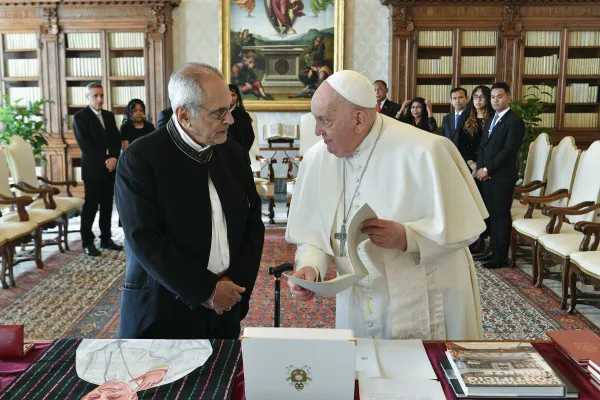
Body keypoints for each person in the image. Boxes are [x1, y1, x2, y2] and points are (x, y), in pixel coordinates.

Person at [286, 70, 488, 340]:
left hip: (423, 296)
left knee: (428, 375)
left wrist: (408, 237)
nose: (317, 131)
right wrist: (311, 267)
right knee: (365, 373)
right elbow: (313, 232)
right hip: (358, 297)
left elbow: (465, 228)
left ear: (358, 119)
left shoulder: (426, 150)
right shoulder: (317, 158)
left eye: (325, 120)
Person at [115, 62, 265, 339]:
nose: (230, 121)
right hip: (162, 311)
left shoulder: (232, 152)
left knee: (222, 380)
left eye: (230, 109)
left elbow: (253, 223)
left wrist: (234, 287)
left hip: (225, 308)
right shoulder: (141, 158)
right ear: (183, 115)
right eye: (220, 113)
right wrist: (206, 290)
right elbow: (144, 239)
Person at [475, 82, 525, 269]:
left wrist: (488, 170)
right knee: (493, 215)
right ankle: (493, 250)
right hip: (487, 175)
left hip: (502, 177)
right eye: (493, 97)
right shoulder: (491, 119)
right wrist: (480, 168)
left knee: (502, 216)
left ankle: (501, 256)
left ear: (508, 97)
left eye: (500, 96)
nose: (495, 100)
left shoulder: (515, 121)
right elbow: (483, 146)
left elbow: (508, 150)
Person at [73, 82, 124, 257]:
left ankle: (106, 238)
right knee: (91, 207)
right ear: (88, 97)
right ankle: (87, 241)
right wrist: (106, 160)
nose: (99, 99)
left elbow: (116, 140)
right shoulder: (80, 118)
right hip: (94, 169)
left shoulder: (109, 116)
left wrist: (115, 158)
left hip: (110, 169)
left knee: (108, 206)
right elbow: (86, 146)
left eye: (101, 95)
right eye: (95, 95)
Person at [77, 339, 212, 399]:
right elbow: (201, 348)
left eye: (94, 397)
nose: (104, 391)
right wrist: (163, 369)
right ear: (133, 398)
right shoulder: (165, 377)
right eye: (113, 398)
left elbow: (89, 343)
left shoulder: (85, 370)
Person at [459, 86, 494, 255]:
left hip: (487, 169)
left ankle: (483, 239)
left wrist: (482, 167)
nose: (478, 100)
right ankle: (474, 238)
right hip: (470, 168)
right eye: (475, 97)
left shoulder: (494, 119)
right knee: (472, 204)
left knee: (486, 204)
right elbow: (460, 144)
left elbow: (492, 147)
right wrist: (471, 163)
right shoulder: (466, 118)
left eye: (482, 97)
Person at [228, 84, 255, 151]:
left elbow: (249, 138)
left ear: (238, 97)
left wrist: (240, 153)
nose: (230, 97)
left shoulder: (243, 115)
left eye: (233, 95)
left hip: (238, 153)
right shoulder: (216, 114)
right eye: (228, 94)